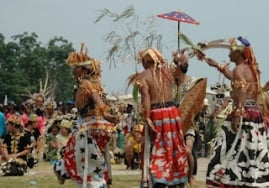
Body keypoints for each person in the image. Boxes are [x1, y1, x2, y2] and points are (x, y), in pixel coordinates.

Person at [204, 36, 269, 187]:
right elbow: (236, 79)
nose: (229, 53)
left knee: (225, 149)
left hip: (243, 114)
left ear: (238, 53)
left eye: (231, 50)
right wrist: (218, 66)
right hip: (254, 113)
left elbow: (241, 88)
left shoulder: (239, 69)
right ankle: (248, 181)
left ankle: (228, 179)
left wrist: (237, 113)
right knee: (248, 151)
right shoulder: (250, 69)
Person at [54, 43, 118, 188]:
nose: (73, 70)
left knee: (85, 159)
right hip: (94, 125)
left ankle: (66, 173)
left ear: (82, 69)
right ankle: (63, 171)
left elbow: (98, 101)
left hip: (90, 127)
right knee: (77, 153)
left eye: (75, 67)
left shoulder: (86, 84)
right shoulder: (95, 84)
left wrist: (106, 114)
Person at [131, 47, 188, 188]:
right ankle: (177, 178)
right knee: (174, 147)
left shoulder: (143, 76)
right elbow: (183, 70)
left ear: (146, 61)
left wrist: (147, 117)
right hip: (173, 113)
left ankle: (158, 179)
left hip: (157, 114)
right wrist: (178, 57)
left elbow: (146, 99)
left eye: (142, 61)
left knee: (157, 148)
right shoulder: (167, 72)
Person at [172, 50, 201, 187]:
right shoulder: (170, 84)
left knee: (187, 150)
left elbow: (197, 103)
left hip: (189, 123)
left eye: (185, 62)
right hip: (172, 124)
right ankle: (176, 177)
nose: (183, 65)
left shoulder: (193, 82)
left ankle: (190, 177)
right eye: (180, 63)